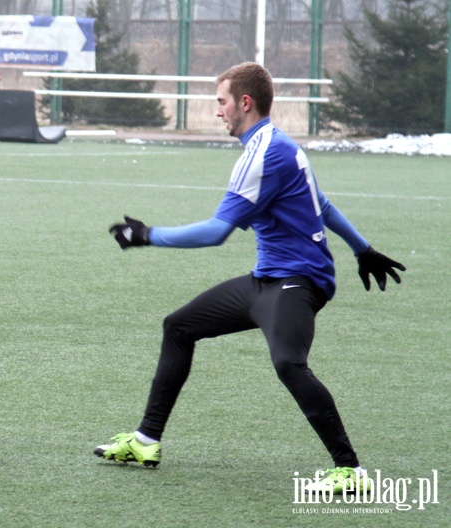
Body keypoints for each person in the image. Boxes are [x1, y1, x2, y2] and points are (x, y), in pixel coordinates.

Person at [97, 62, 405, 493]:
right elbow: (326, 204)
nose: (217, 111)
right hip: (267, 280)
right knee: (179, 327)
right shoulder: (280, 145)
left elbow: (216, 232)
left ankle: (349, 471)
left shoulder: (265, 154)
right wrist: (363, 249)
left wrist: (149, 235)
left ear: (245, 102)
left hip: (299, 280)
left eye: (221, 102)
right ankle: (146, 440)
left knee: (288, 364)